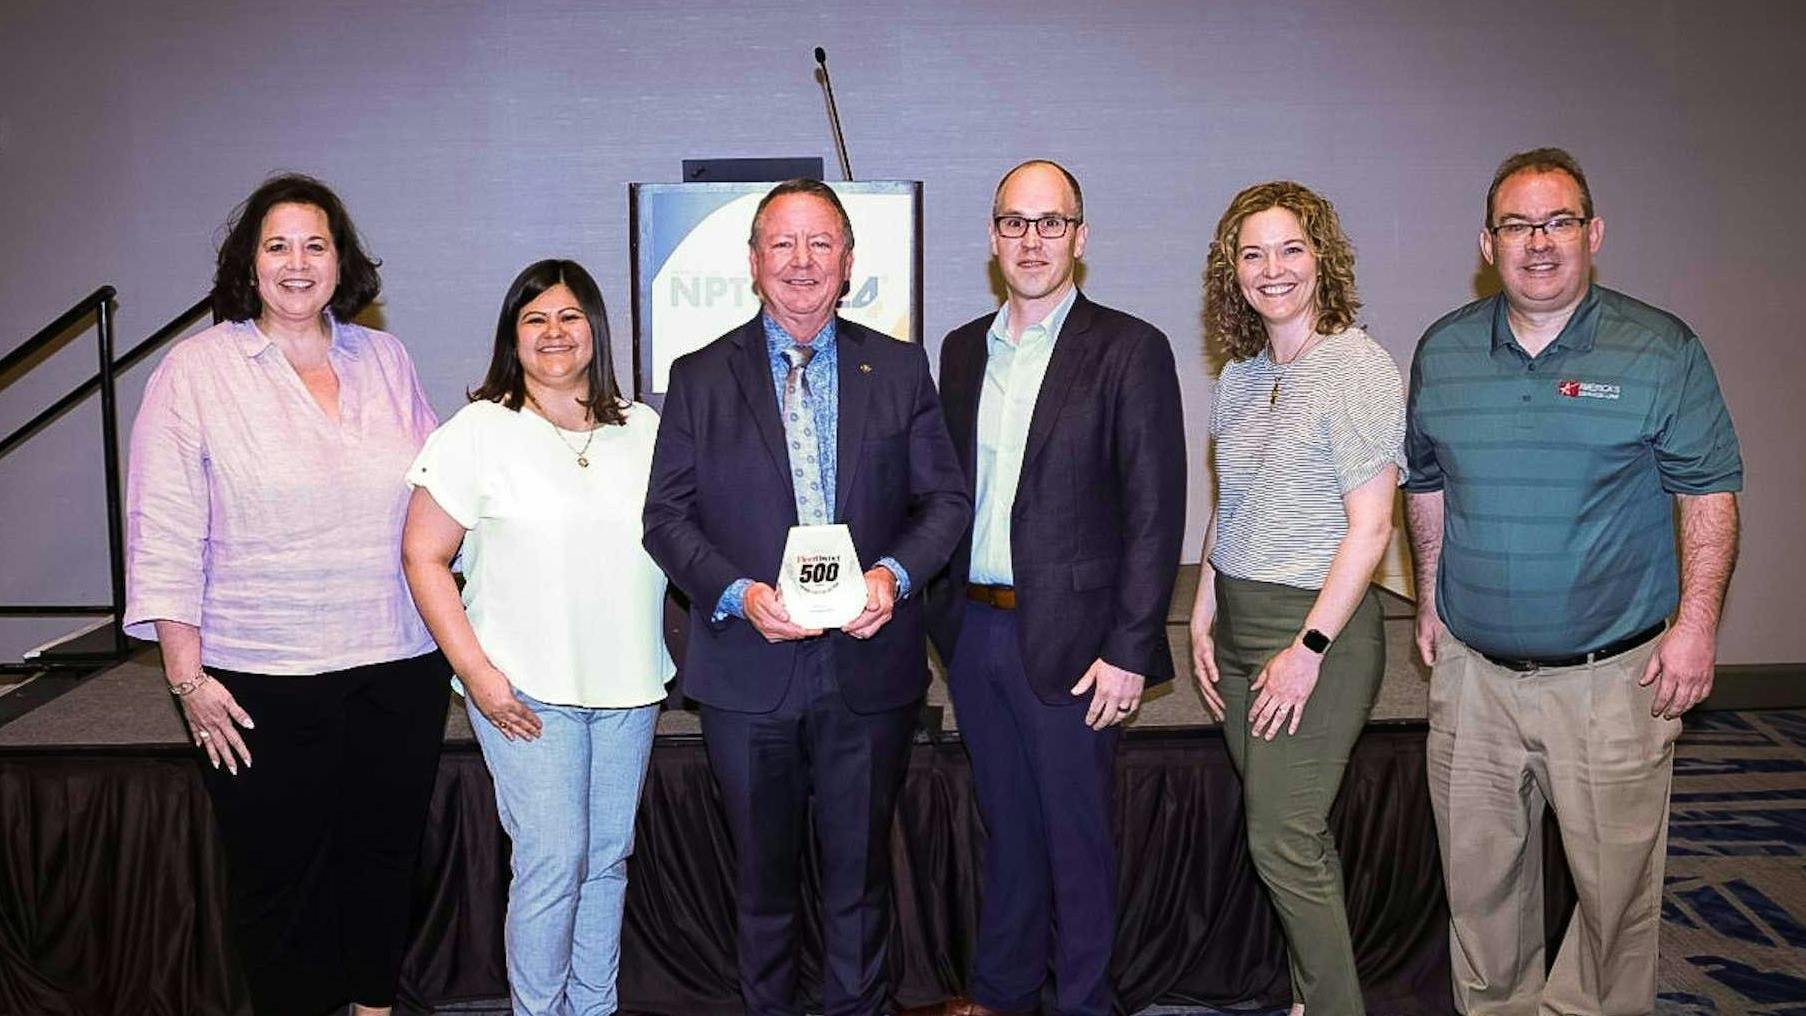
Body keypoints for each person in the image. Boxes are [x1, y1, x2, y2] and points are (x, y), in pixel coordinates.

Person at [1404, 147, 1742, 1016]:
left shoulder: (1660, 348)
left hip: (1612, 680)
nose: (1539, 242)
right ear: (1488, 243)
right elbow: (1427, 483)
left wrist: (1697, 625)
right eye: (1517, 225)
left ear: (1594, 234)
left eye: (1558, 222)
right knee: (1478, 891)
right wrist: (1431, 598)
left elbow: (1708, 494)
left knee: (1612, 904)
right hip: (1474, 680)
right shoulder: (1443, 349)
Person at [123, 173, 449, 1016]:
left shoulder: (385, 358)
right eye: (277, 246)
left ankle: (375, 1008)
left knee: (383, 859)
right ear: (249, 262)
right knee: (277, 877)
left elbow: (440, 491)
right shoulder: (195, 371)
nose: (297, 263)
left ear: (342, 261)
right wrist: (188, 679)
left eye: (315, 245)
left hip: (398, 661)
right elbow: (164, 528)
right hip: (258, 674)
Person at [642, 178, 969, 1016]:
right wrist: (738, 592)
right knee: (762, 886)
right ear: (753, 262)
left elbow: (944, 501)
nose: (801, 261)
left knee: (861, 882)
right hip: (749, 669)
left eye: (820, 243)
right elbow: (665, 519)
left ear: (848, 262)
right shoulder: (700, 376)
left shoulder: (898, 368)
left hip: (869, 665)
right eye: (782, 244)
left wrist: (891, 577)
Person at [912, 160, 1187, 1016]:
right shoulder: (962, 349)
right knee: (1009, 831)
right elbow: (946, 494)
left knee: (1076, 841)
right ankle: (1001, 995)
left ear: (1080, 236)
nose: (1032, 240)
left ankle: (1084, 1003)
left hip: (1080, 645)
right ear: (993, 237)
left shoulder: (1130, 348)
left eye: (1051, 222)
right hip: (976, 634)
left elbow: (1155, 512)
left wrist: (1130, 648)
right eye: (1015, 222)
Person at [401, 259, 671, 1016]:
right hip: (522, 693)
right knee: (553, 864)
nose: (555, 332)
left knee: (606, 863)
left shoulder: (644, 430)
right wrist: (477, 675)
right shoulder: (478, 431)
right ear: (512, 336)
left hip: (629, 685)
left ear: (596, 330)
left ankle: (593, 1008)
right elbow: (422, 556)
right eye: (535, 319)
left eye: (570, 316)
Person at [1189, 181, 1404, 1016]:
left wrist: (1308, 650)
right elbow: (1232, 502)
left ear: (1322, 259)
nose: (1271, 268)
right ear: (1232, 271)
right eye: (1252, 254)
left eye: (1290, 249)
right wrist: (1203, 608)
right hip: (1240, 628)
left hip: (1316, 632)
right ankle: (1316, 997)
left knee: (1280, 837)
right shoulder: (1241, 376)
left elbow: (1372, 528)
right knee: (1294, 836)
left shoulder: (1356, 367)